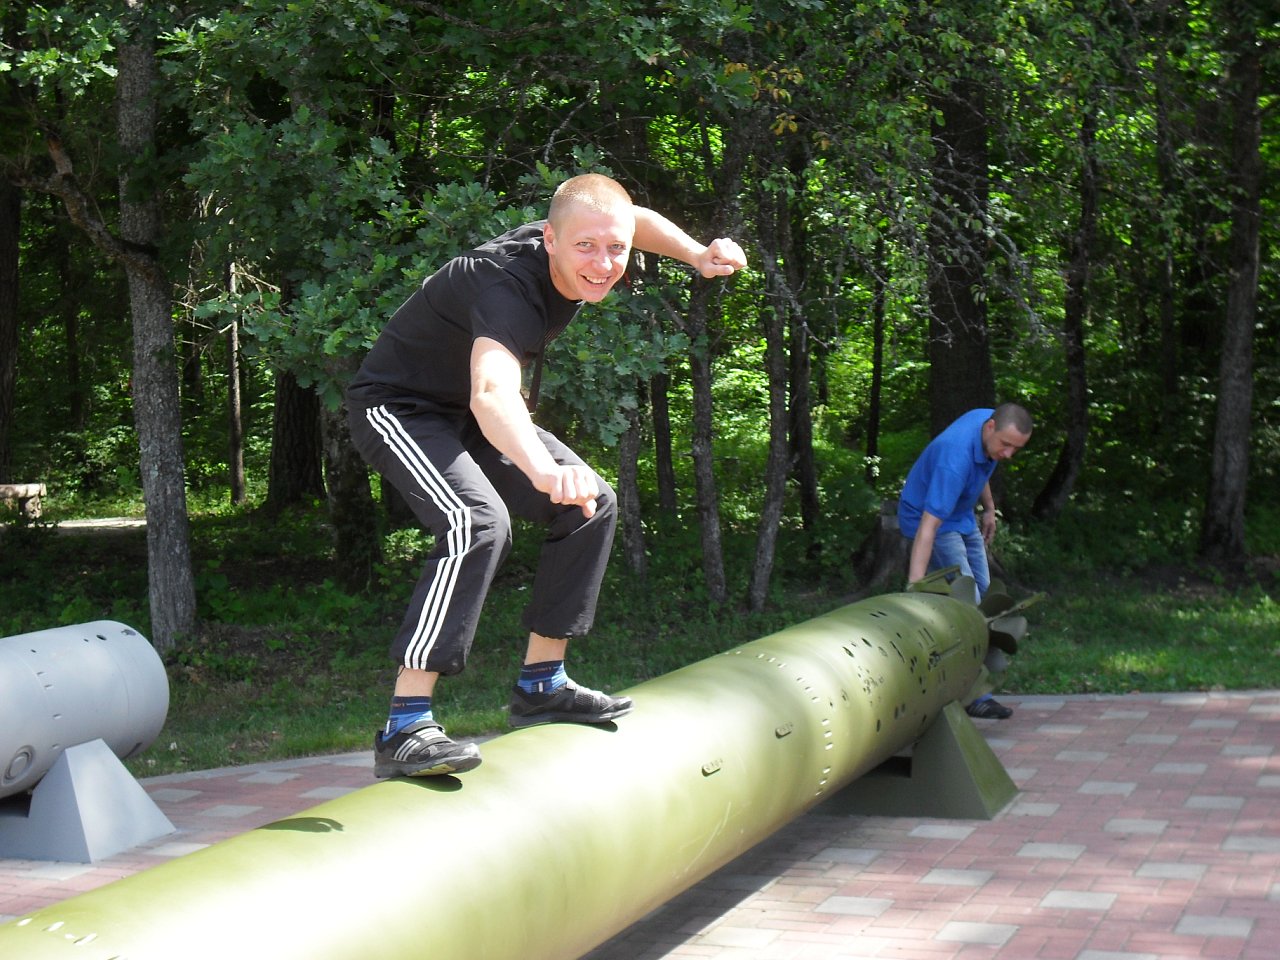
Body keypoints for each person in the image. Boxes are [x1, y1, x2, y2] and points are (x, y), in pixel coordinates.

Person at [346, 174, 747, 777]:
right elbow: (491, 392)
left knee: (592, 504)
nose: (604, 264)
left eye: (615, 249)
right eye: (586, 247)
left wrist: (696, 254)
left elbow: (633, 218)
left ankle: (542, 684)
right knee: (475, 521)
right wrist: (541, 469)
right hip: (400, 409)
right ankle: (404, 725)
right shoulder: (505, 288)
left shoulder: (593, 231)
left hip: (466, 415)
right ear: (550, 240)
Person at [897, 403, 1033, 719]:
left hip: (961, 514)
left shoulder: (990, 424)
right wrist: (914, 587)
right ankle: (975, 696)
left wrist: (989, 508)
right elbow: (928, 527)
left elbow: (982, 465)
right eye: (1006, 445)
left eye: (1016, 448)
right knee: (969, 606)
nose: (1009, 454)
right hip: (931, 520)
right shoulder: (954, 460)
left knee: (986, 596)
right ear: (990, 428)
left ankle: (976, 679)